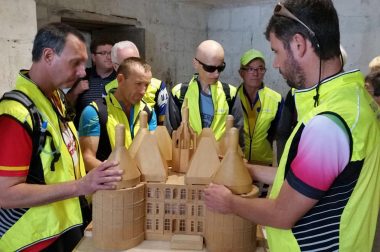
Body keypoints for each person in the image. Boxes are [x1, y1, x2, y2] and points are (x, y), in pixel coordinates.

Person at [204, 1, 380, 251]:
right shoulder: (353, 100)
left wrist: (229, 202)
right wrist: (250, 170)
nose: (275, 64)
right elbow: (303, 180)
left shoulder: (328, 124)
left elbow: (282, 214)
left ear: (299, 44)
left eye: (276, 52)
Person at [0, 23, 122, 251]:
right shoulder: (16, 113)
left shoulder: (54, 101)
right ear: (48, 55)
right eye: (74, 63)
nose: (82, 72)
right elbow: (5, 194)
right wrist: (82, 185)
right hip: (33, 241)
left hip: (64, 228)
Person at [79, 57, 157, 171]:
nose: (143, 91)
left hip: (140, 183)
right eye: (138, 83)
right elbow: (86, 159)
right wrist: (116, 174)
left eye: (146, 85)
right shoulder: (94, 112)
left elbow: (151, 152)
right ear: (120, 79)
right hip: (107, 186)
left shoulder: (148, 111)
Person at [169, 40, 244, 146]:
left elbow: (238, 135)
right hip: (189, 159)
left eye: (221, 67)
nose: (216, 74)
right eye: (210, 68)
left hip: (221, 159)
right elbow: (172, 134)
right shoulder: (179, 93)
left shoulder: (230, 94)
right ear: (195, 63)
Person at [105, 41, 168, 125]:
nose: (142, 91)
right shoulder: (107, 89)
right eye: (127, 64)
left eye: (137, 60)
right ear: (115, 66)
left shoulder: (158, 86)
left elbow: (163, 124)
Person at [237, 48, 283, 165]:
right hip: (238, 162)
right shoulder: (232, 97)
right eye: (250, 69)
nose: (256, 73)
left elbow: (280, 136)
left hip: (264, 163)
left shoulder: (276, 99)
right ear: (241, 73)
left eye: (260, 68)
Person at [67, 38, 116, 126]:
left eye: (111, 53)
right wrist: (75, 92)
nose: (109, 57)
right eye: (103, 53)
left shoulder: (120, 78)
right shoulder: (83, 75)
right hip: (85, 133)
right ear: (93, 57)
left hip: (112, 133)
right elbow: (66, 105)